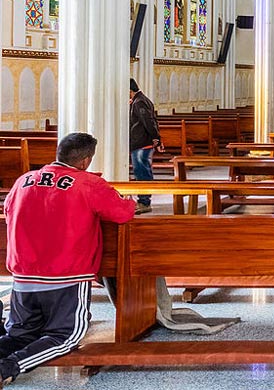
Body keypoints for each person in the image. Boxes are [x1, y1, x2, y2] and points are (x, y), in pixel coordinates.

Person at [0, 133, 136, 382]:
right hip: (66, 275)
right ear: (85, 161)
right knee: (66, 336)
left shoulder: (24, 180)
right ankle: (8, 368)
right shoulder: (88, 183)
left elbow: (8, 211)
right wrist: (130, 202)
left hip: (23, 274)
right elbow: (122, 213)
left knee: (19, 335)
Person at [128, 78, 161, 214]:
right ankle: (143, 200)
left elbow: (148, 122)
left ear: (129, 90)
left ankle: (144, 202)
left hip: (142, 142)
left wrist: (156, 138)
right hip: (142, 142)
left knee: (142, 172)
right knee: (141, 171)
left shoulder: (140, 102)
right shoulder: (139, 100)